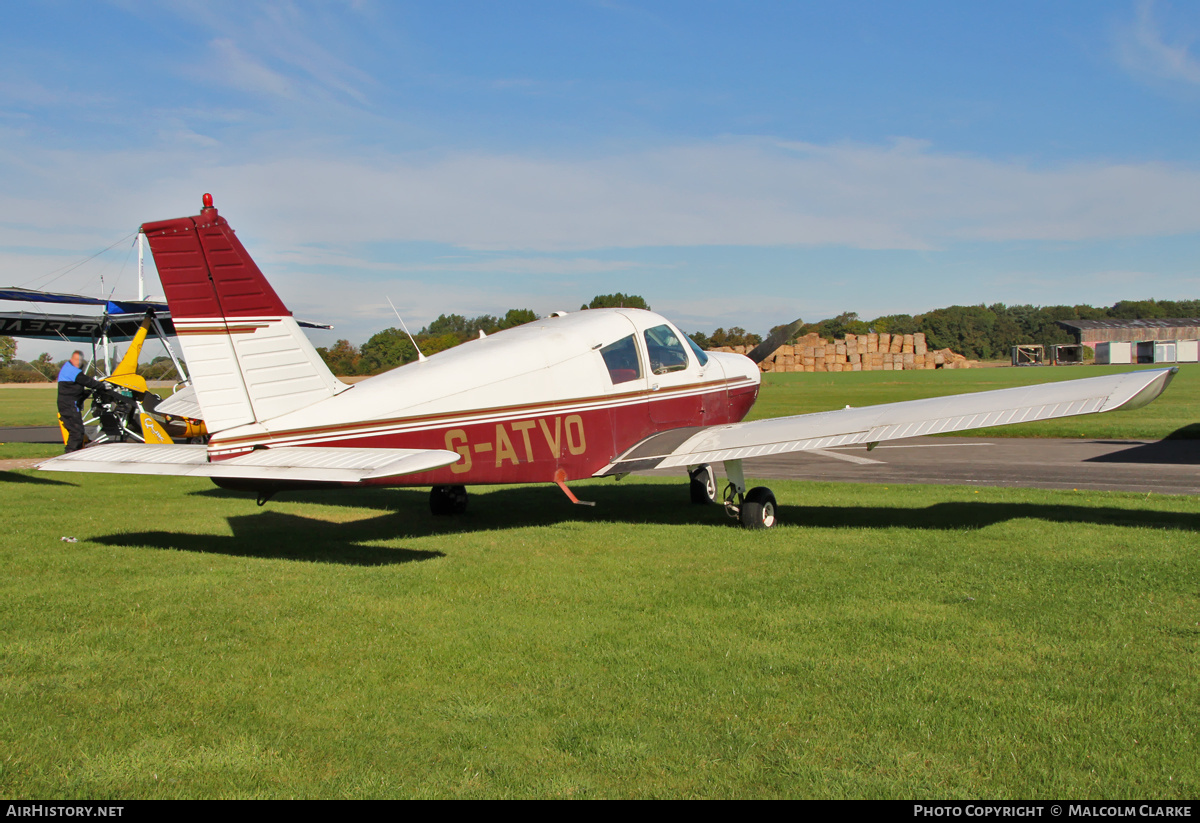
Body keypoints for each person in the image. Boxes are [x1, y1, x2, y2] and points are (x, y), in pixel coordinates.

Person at [56, 351, 106, 452]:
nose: (78, 363)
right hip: (69, 405)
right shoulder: (71, 370)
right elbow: (87, 381)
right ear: (71, 359)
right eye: (76, 360)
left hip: (67, 404)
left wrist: (87, 392)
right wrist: (102, 386)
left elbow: (74, 388)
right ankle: (69, 454)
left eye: (79, 361)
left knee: (77, 432)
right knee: (77, 432)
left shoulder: (68, 368)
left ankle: (75, 452)